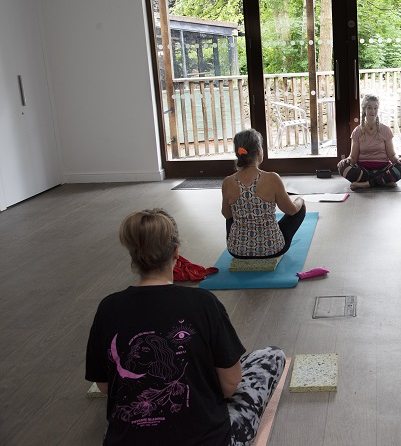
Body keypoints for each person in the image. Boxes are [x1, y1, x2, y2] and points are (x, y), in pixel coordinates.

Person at [86, 209, 286, 445]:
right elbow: (230, 385)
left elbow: (105, 386)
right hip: (210, 439)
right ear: (176, 252)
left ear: (133, 254)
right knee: (270, 356)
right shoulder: (203, 303)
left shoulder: (108, 308)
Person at [222, 129, 305, 258]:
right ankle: (269, 237)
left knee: (231, 214)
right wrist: (300, 200)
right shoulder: (272, 178)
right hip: (273, 249)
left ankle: (241, 242)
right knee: (300, 208)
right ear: (259, 151)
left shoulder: (227, 182)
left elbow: (226, 214)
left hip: (237, 251)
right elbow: (291, 211)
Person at [336, 94, 401, 190]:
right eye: (369, 108)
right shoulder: (357, 131)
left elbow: (392, 155)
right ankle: (383, 181)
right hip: (363, 171)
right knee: (342, 167)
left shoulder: (385, 129)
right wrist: (346, 161)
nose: (373, 111)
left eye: (375, 108)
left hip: (383, 169)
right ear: (364, 110)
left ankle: (366, 184)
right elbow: (353, 157)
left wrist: (399, 159)